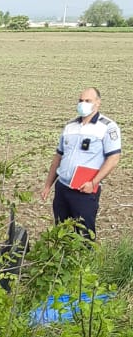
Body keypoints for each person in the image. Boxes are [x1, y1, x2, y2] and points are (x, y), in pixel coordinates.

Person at [40, 85, 121, 239]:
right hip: (63, 188)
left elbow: (113, 159)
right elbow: (58, 156)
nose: (83, 104)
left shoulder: (107, 127)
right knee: (61, 233)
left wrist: (93, 183)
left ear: (98, 103)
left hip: (85, 191)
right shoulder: (70, 126)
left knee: (84, 235)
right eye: (80, 100)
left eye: (88, 101)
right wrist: (48, 185)